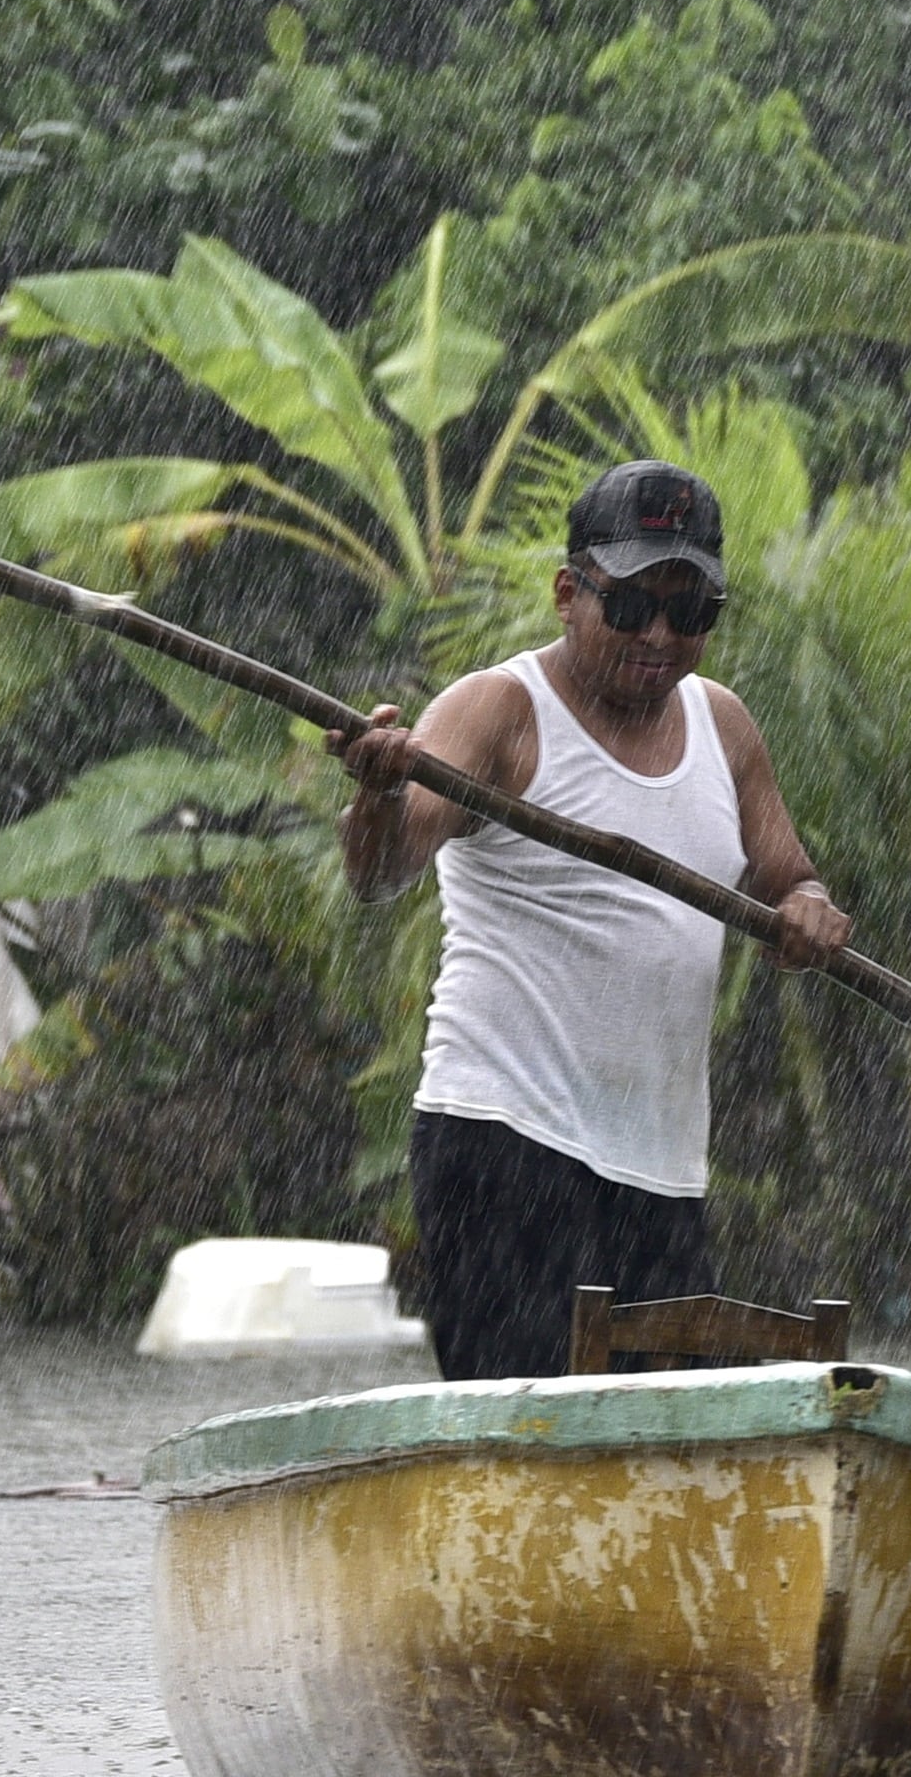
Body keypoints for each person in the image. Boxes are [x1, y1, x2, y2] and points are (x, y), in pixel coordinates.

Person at [335, 458, 854, 1380]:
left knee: (668, 1449)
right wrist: (378, 795)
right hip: (504, 1145)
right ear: (569, 593)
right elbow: (382, 874)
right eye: (631, 607)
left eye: (689, 611)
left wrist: (808, 913)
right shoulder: (501, 712)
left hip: (660, 1170)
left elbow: (791, 877)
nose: (660, 635)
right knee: (527, 1434)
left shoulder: (724, 728)